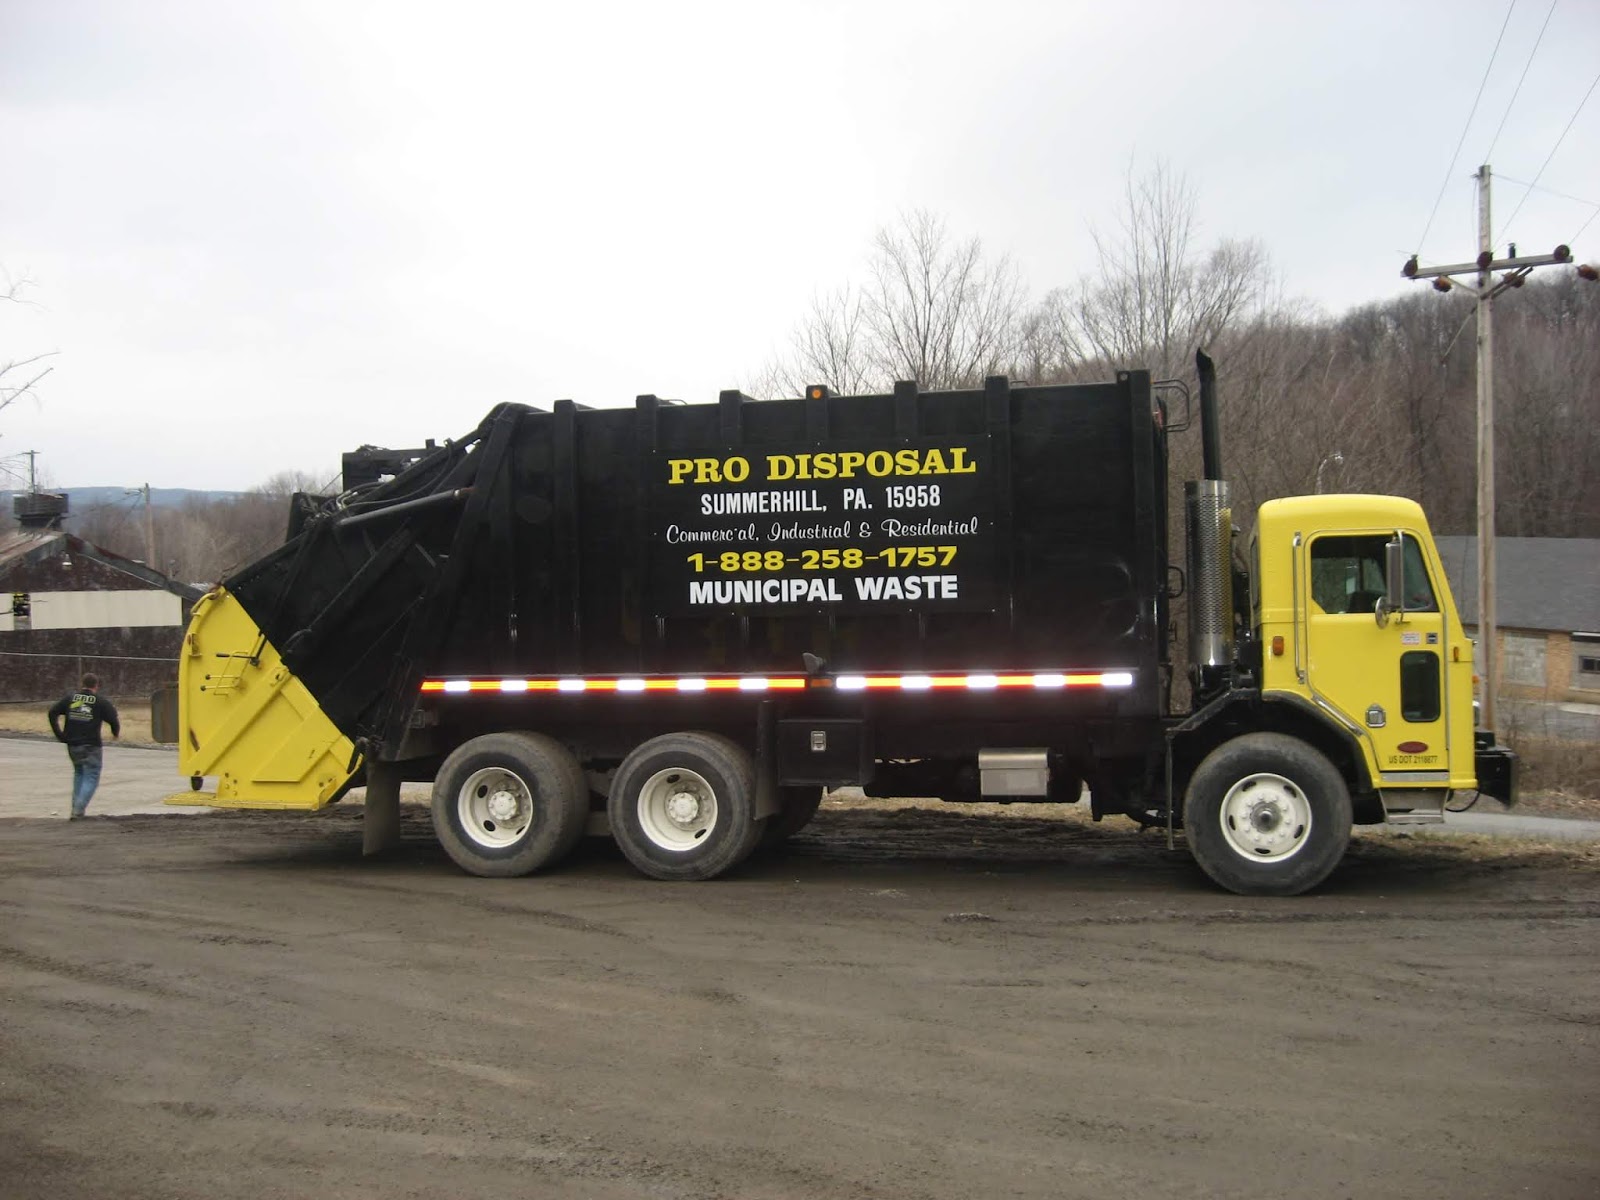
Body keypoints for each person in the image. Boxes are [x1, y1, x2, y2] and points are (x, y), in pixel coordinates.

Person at [47, 672, 120, 820]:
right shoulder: (100, 702)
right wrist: (115, 732)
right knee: (92, 775)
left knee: (79, 773)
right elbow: (113, 719)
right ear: (96, 686)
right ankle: (78, 810)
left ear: (82, 684)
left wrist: (59, 734)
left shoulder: (71, 699)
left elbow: (52, 712)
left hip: (73, 744)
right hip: (91, 744)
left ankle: (76, 808)